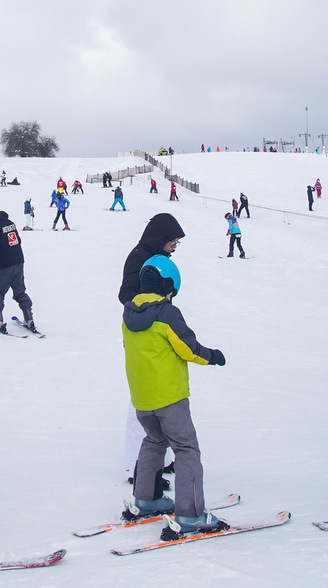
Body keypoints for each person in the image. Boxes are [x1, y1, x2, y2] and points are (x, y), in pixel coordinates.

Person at [121, 255, 227, 535]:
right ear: (168, 286)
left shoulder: (129, 313)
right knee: (186, 448)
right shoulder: (166, 312)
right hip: (169, 397)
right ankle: (191, 514)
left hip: (142, 397)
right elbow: (188, 348)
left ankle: (147, 499)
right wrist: (212, 356)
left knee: (155, 440)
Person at [118, 214, 185, 483]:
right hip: (142, 333)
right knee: (144, 401)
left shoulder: (158, 257)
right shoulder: (139, 258)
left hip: (157, 331)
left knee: (161, 397)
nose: (175, 246)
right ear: (160, 237)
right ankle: (136, 466)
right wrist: (152, 304)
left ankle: (160, 460)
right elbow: (125, 294)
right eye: (173, 241)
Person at [0, 205, 34, 332]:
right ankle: (29, 319)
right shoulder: (10, 223)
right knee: (20, 291)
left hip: (5, 265)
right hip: (19, 262)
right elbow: (18, 240)